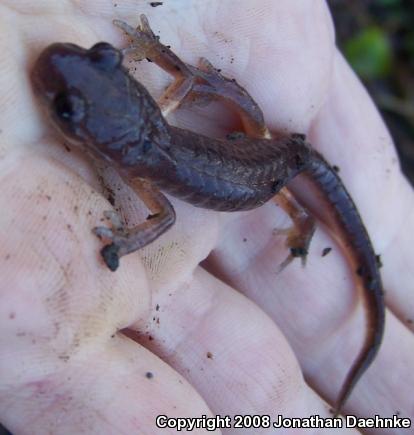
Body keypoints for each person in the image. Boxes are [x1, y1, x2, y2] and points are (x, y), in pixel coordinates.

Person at [0, 0, 413, 433]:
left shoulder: (139, 167)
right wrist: (155, 50)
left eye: (67, 109)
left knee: (275, 178)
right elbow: (179, 94)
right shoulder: (147, 146)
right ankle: (301, 223)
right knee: (263, 152)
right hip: (263, 157)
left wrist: (124, 240)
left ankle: (303, 226)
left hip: (267, 170)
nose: (84, 57)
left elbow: (164, 218)